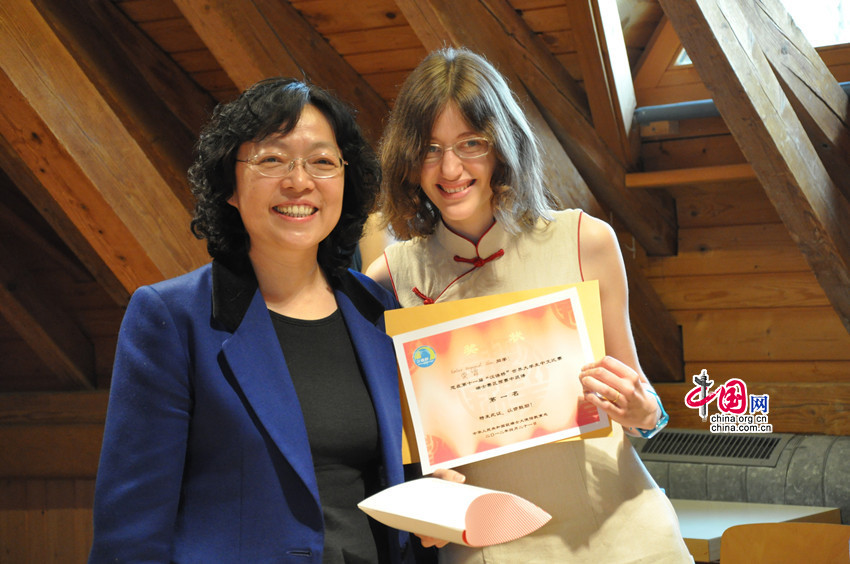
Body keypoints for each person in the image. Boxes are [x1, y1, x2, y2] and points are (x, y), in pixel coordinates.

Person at [366, 47, 693, 563]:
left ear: (503, 147)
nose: (450, 168)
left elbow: (644, 409)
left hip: (623, 533)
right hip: (492, 547)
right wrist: (423, 481)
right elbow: (394, 440)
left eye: (470, 143)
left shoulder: (585, 241)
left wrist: (645, 409)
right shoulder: (391, 278)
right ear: (408, 160)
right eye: (430, 149)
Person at [89, 77, 415, 563]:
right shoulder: (172, 318)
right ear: (231, 187)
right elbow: (131, 531)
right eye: (272, 159)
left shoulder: (378, 307)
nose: (299, 181)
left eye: (322, 162)